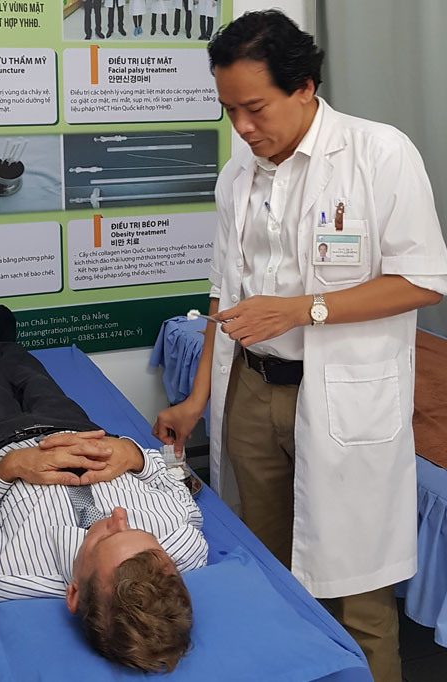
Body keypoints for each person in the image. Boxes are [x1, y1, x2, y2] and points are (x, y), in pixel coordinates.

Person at [153, 10, 447, 682]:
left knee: (358, 592)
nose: (244, 129)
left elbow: (425, 280)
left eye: (255, 108)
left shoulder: (379, 154)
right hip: (250, 392)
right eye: (230, 111)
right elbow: (221, 294)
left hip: (342, 400)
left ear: (305, 87)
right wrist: (197, 396)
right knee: (266, 569)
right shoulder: (239, 176)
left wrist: (303, 310)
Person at [0, 305, 208, 672]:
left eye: (105, 539)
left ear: (74, 594)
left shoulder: (7, 573)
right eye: (140, 533)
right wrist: (134, 456)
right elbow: (170, 481)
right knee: (34, 378)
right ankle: (7, 346)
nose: (118, 517)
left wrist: (7, 470)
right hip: (75, 429)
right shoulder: (184, 545)